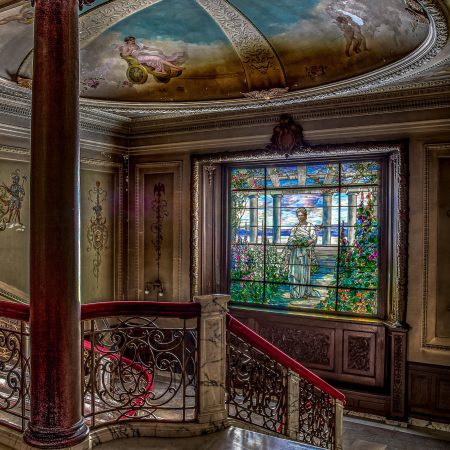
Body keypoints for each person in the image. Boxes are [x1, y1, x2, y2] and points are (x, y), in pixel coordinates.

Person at [287, 207, 320, 299]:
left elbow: (314, 238)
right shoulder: (295, 227)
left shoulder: (310, 226)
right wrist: (294, 242)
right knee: (294, 270)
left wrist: (308, 242)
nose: (300, 217)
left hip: (305, 253)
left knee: (304, 271)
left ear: (305, 216)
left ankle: (304, 291)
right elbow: (290, 238)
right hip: (295, 252)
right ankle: (294, 291)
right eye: (298, 216)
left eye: (302, 215)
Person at [119, 36, 184, 75]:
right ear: (127, 41)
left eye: (133, 40)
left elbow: (147, 48)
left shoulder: (137, 44)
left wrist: (156, 49)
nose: (133, 41)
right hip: (139, 58)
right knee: (157, 58)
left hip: (144, 55)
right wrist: (130, 51)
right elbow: (124, 55)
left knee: (159, 55)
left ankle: (172, 67)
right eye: (131, 40)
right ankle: (176, 67)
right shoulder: (126, 47)